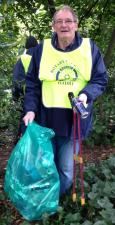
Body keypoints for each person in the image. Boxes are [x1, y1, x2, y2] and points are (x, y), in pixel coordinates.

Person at [23, 5, 108, 195]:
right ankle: (47, 202)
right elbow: (32, 84)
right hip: (45, 120)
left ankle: (56, 201)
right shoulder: (41, 50)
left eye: (68, 21)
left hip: (74, 122)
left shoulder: (90, 48)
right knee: (44, 167)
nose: (64, 25)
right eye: (59, 21)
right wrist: (30, 109)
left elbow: (100, 79)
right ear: (53, 26)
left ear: (76, 24)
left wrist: (86, 94)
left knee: (67, 172)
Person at [12, 36, 38, 135]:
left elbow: (16, 80)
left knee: (26, 119)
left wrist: (16, 98)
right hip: (41, 96)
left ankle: (25, 143)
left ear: (26, 46)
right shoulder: (42, 57)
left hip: (26, 95)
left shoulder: (22, 59)